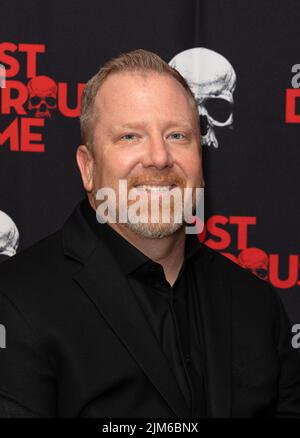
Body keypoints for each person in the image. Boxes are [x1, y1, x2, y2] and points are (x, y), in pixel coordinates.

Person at [0, 49, 299, 418]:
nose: (159, 157)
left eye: (177, 135)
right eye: (130, 136)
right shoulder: (15, 301)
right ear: (88, 168)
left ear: (201, 162)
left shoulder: (256, 305)